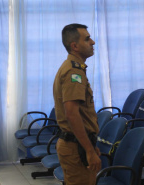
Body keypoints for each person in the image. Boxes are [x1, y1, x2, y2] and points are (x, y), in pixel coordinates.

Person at [53, 23, 101, 185]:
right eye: (87, 39)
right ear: (75, 46)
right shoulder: (74, 72)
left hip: (77, 143)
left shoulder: (73, 68)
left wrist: (91, 145)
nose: (92, 42)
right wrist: (88, 150)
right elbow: (72, 114)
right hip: (76, 146)